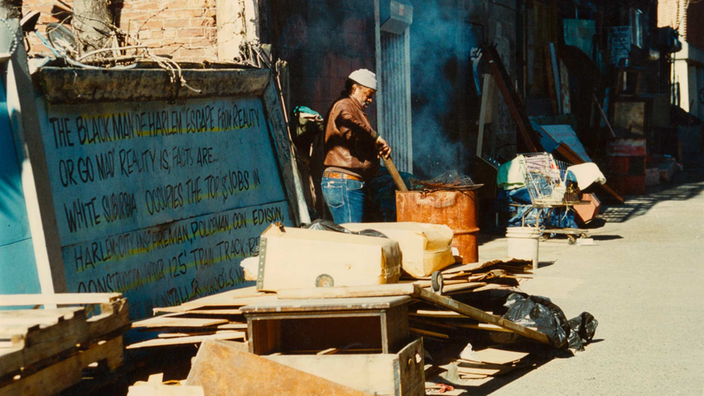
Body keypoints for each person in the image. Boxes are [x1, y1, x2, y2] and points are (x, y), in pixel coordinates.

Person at [320, 69, 391, 224]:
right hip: (344, 183)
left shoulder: (353, 108)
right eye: (368, 94)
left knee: (354, 238)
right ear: (354, 89)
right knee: (353, 240)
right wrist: (376, 137)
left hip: (347, 183)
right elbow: (349, 125)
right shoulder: (344, 105)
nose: (370, 100)